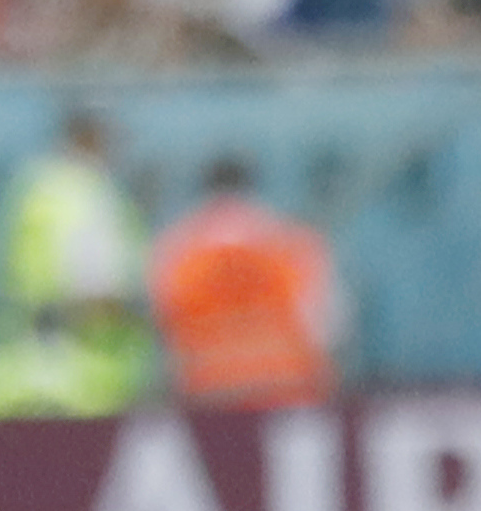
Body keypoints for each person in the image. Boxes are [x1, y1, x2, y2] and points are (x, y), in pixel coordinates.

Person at [0, 107, 156, 421]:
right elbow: (100, 296)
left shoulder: (35, 190)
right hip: (86, 384)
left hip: (20, 371)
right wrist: (146, 314)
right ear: (91, 137)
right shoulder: (89, 198)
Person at [149, 156, 347, 409]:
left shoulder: (175, 249)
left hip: (208, 398)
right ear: (252, 185)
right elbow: (328, 329)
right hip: (287, 392)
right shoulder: (293, 243)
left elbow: (163, 329)